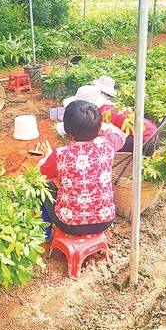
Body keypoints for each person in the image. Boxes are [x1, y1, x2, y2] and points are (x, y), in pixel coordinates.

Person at [39, 100, 126, 235]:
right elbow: (120, 135)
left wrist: (47, 156)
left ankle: (45, 233)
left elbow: (44, 173)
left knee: (42, 187)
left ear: (68, 131)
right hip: (104, 220)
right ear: (98, 127)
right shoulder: (108, 144)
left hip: (69, 224)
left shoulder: (60, 154)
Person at [62, 80, 157, 154]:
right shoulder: (106, 107)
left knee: (99, 145)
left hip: (146, 142)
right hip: (151, 132)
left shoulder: (102, 115)